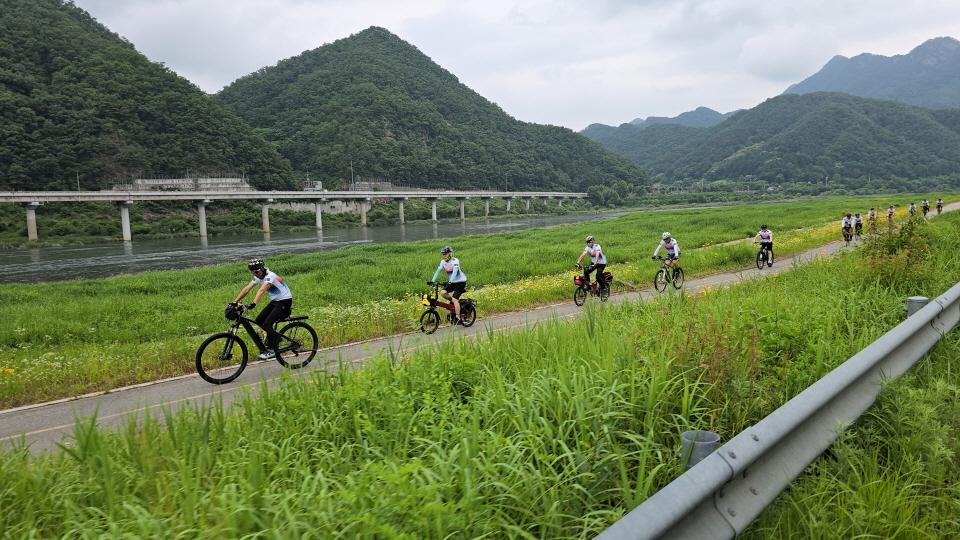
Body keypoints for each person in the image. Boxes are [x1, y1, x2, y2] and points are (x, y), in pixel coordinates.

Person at [232, 257, 293, 359]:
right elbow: (247, 289)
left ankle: (273, 348)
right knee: (259, 320)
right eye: (253, 272)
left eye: (256, 272)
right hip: (276, 301)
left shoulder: (271, 276)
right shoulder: (258, 276)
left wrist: (253, 304)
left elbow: (262, 290)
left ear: (262, 268)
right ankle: (275, 338)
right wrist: (234, 302)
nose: (255, 274)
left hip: (284, 301)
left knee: (267, 324)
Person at [429, 246, 468, 324]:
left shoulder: (455, 261)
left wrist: (450, 281)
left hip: (460, 282)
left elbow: (455, 272)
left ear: (450, 254)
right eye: (443, 254)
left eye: (445, 254)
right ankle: (454, 304)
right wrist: (432, 280)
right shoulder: (443, 262)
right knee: (443, 292)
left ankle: (458, 317)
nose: (444, 255)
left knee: (455, 299)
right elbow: (438, 271)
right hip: (452, 282)